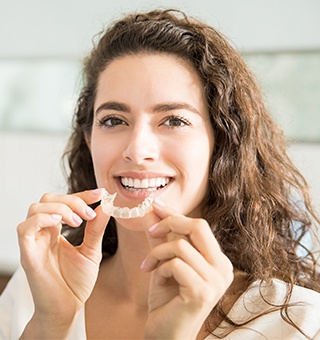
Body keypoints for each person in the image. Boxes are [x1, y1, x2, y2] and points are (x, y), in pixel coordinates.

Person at [0, 8, 320, 339]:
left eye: (174, 120)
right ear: (89, 140)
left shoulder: (296, 323)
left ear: (222, 144)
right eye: (113, 120)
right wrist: (50, 325)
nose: (137, 151)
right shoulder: (34, 292)